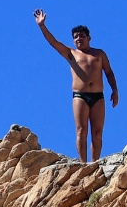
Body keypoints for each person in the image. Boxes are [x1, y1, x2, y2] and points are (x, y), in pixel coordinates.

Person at [34, 10, 118, 162]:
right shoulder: (71, 53)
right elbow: (54, 42)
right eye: (76, 36)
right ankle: (83, 163)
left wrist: (115, 90)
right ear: (73, 40)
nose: (79, 38)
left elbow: (109, 72)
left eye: (82, 35)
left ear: (89, 38)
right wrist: (42, 26)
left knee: (97, 132)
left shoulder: (99, 54)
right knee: (81, 131)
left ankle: (95, 162)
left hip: (98, 96)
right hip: (80, 96)